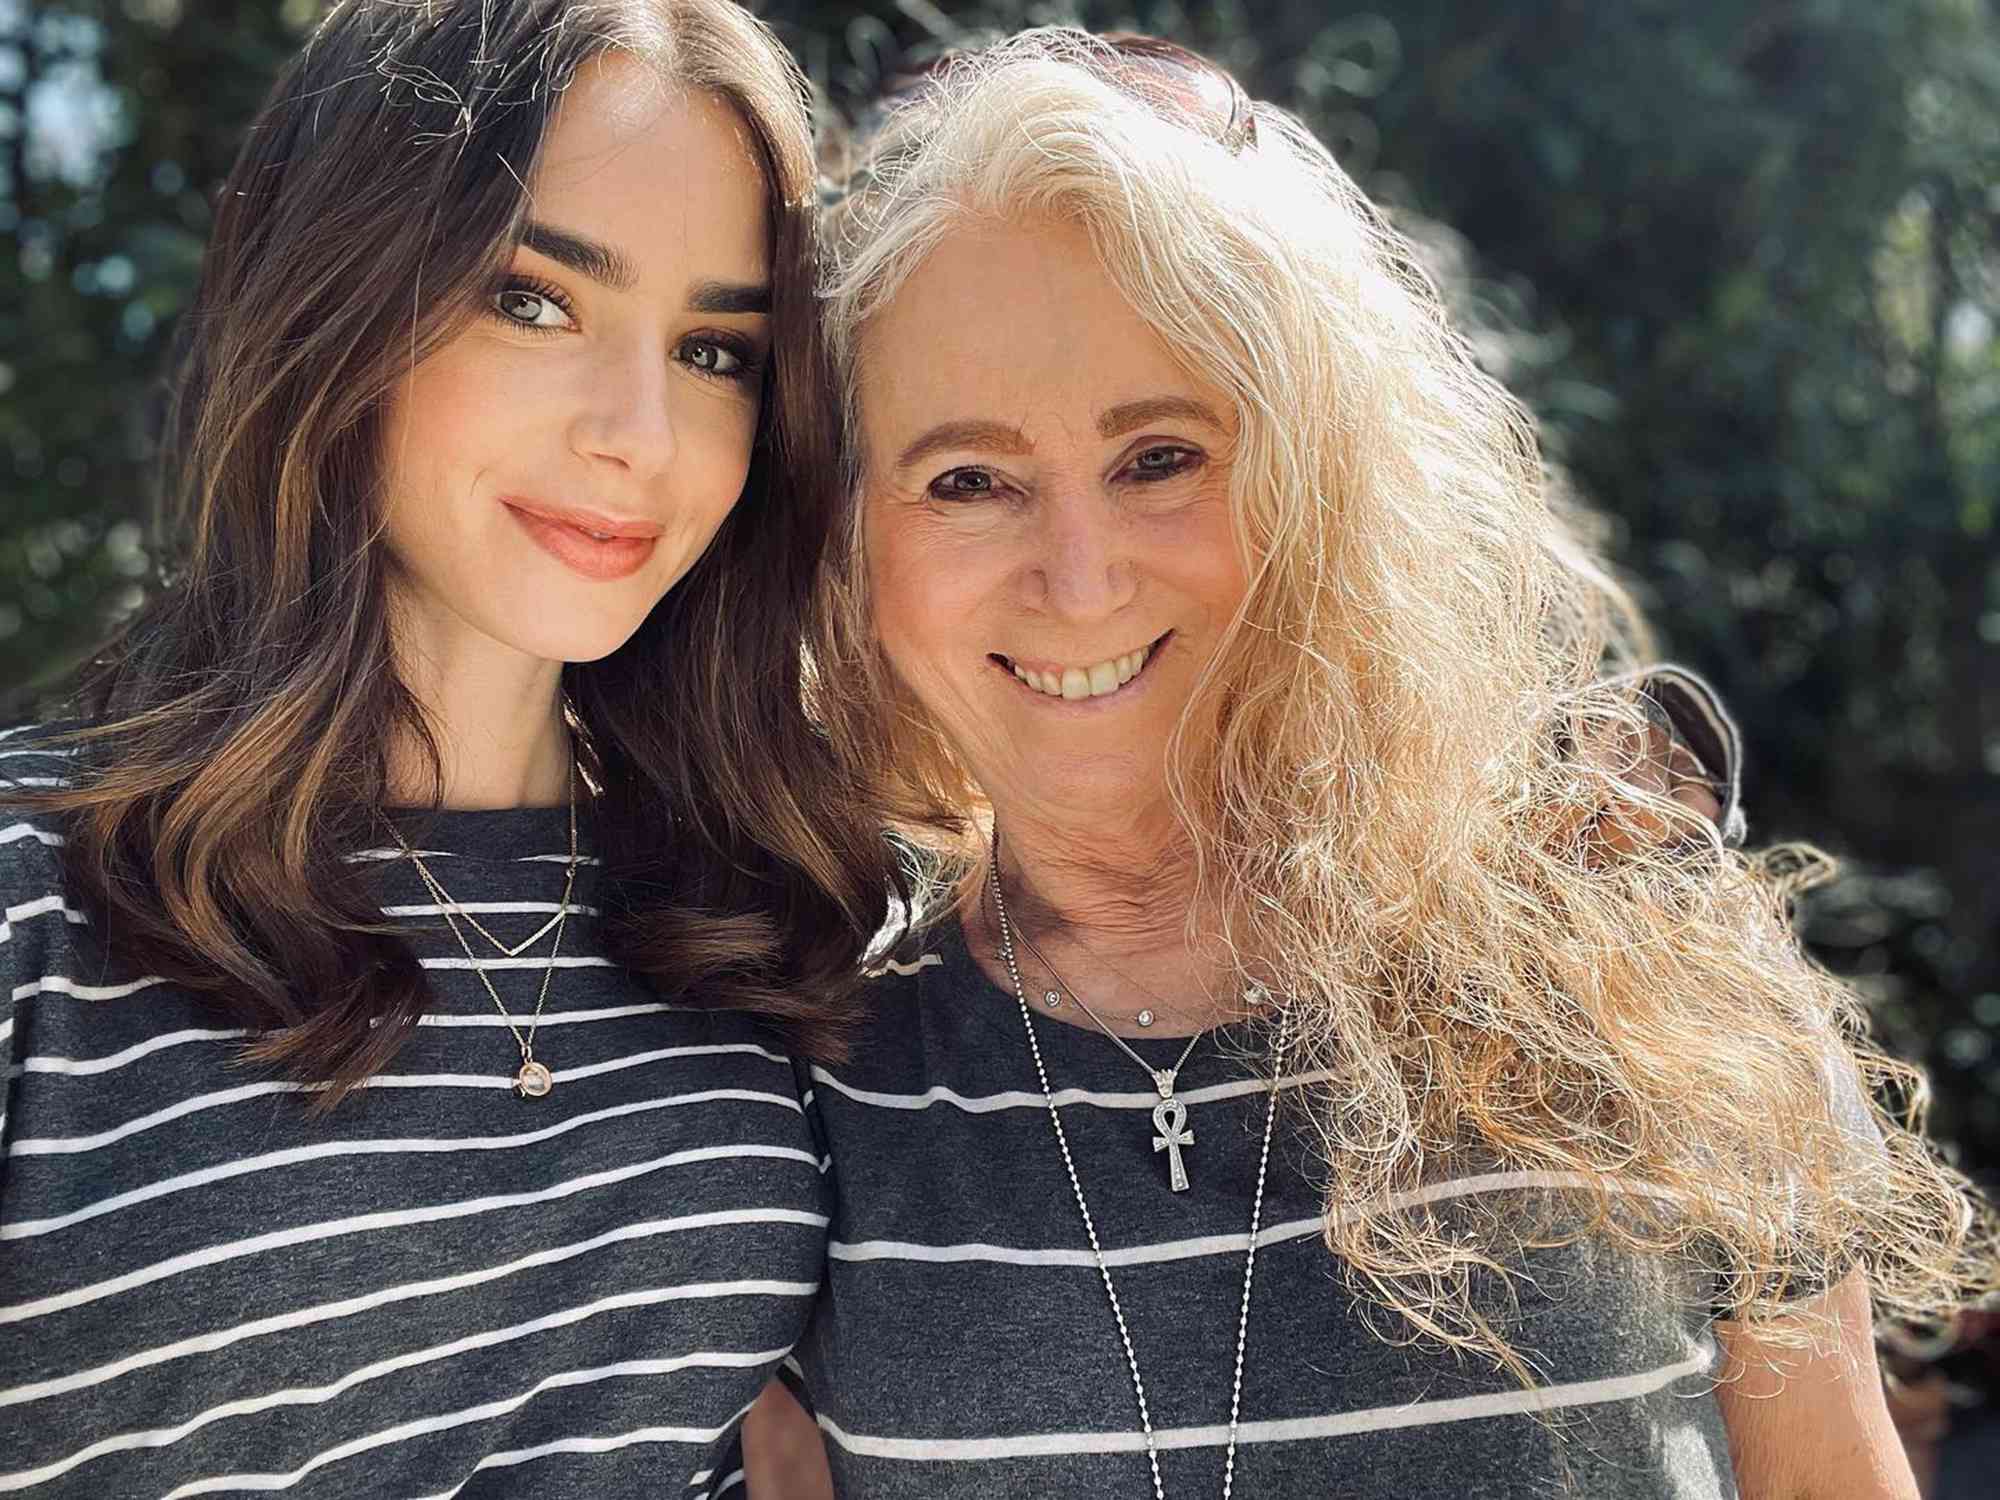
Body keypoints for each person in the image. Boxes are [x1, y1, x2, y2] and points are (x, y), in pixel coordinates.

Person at [768, 28, 1995, 1498]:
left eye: (1161, 456)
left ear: (1322, 474)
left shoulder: (1641, 968)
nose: (1077, 577)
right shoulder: (801, 1094)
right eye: (966, 480)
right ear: (848, 547)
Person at [0, 2, 900, 1495]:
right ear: (337, 299)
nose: (643, 433)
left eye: (714, 348)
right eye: (534, 299)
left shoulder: (766, 918)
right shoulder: (40, 902)